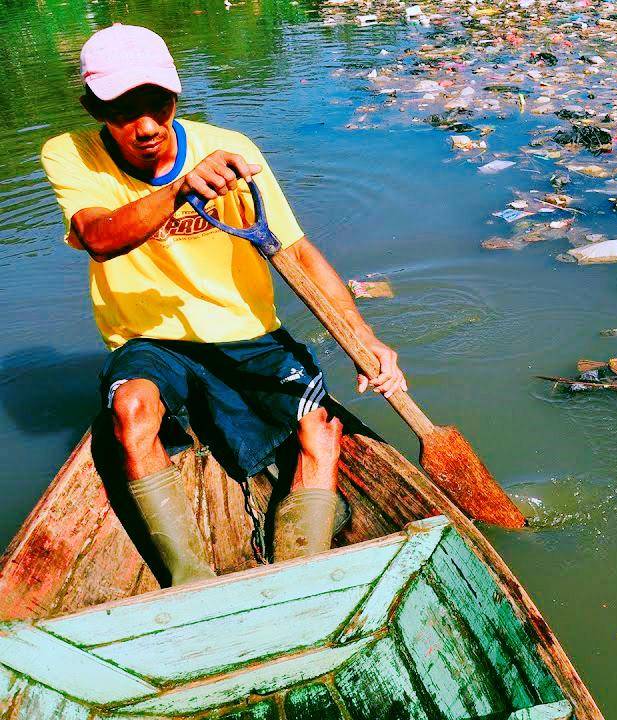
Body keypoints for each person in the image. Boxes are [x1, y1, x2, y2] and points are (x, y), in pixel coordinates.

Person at [40, 24, 407, 584]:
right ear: (96, 108)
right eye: (122, 109)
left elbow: (298, 250)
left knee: (319, 435)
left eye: (156, 105)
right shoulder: (70, 154)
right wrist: (180, 189)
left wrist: (362, 337)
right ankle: (191, 582)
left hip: (246, 333)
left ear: (175, 96)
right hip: (150, 341)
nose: (144, 126)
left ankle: (301, 571)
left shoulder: (229, 151)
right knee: (133, 411)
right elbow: (97, 235)